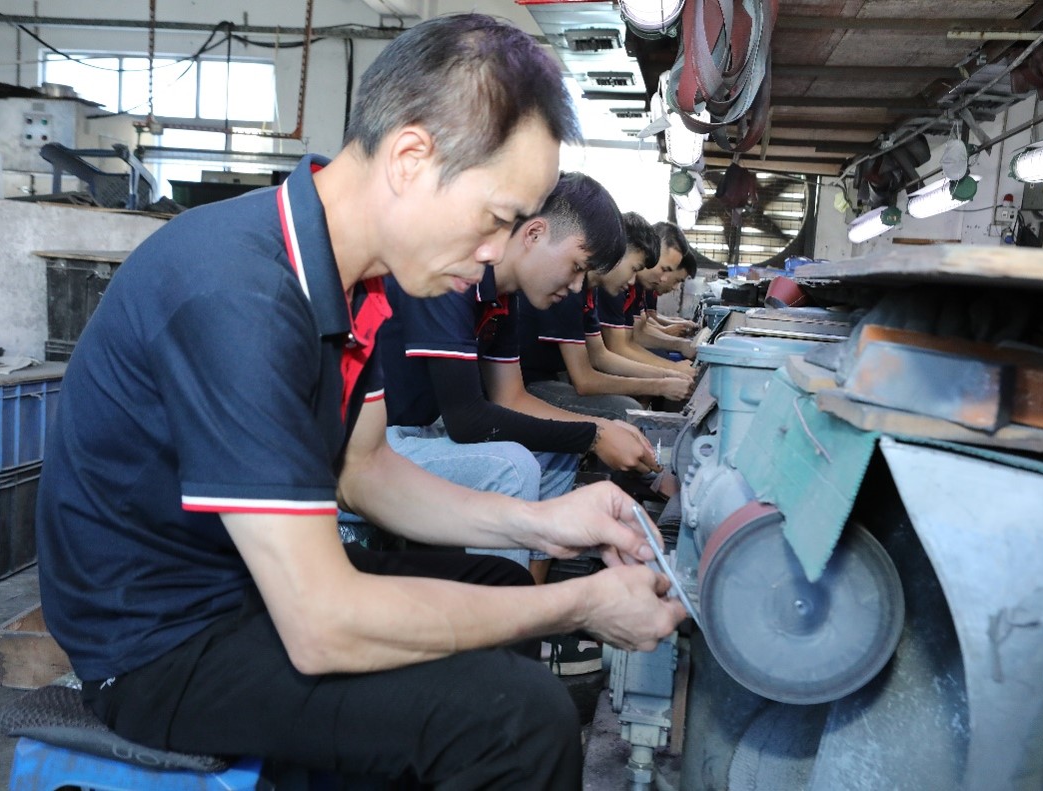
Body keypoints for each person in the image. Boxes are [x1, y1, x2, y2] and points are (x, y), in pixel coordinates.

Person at [35, 15, 685, 791]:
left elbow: (366, 470)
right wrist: (580, 603)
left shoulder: (353, 284)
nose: (494, 252)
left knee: (500, 583)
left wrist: (546, 521)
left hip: (240, 585)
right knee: (522, 721)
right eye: (497, 219)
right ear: (410, 158)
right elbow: (321, 626)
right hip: (161, 642)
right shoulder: (238, 293)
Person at [379, 171, 659, 578]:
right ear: (534, 234)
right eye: (576, 267)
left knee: (555, 451)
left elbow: (512, 398)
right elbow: (466, 420)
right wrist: (594, 435)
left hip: (418, 432)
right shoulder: (453, 270)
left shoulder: (502, 294)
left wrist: (602, 427)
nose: (577, 287)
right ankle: (507, 608)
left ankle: (531, 588)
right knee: (511, 466)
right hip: (373, 443)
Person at [518, 211, 695, 421]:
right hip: (532, 383)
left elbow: (599, 355)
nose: (632, 281)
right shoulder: (571, 289)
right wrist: (659, 385)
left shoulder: (589, 290)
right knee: (624, 408)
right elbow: (584, 381)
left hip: (555, 376)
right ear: (616, 253)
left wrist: (669, 375)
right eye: (633, 269)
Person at [599, 222, 698, 373]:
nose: (665, 279)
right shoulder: (615, 284)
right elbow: (617, 347)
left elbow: (636, 333)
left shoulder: (635, 286)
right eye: (664, 269)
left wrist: (679, 345)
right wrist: (672, 369)